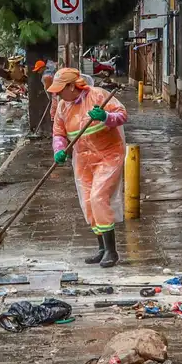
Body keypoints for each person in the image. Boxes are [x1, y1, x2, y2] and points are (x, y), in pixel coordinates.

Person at [49, 68, 127, 268]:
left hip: (109, 154)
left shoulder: (98, 95)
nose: (57, 95)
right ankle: (101, 248)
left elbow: (122, 115)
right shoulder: (62, 107)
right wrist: (59, 149)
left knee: (98, 197)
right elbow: (58, 132)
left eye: (60, 90)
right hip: (83, 159)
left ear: (72, 86)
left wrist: (105, 117)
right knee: (88, 202)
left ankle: (112, 251)